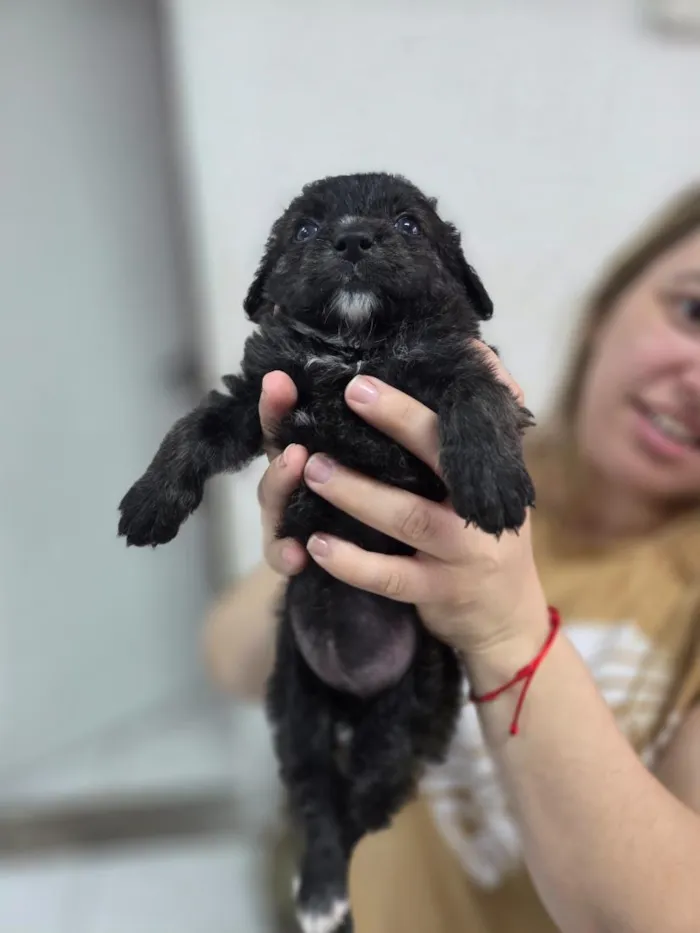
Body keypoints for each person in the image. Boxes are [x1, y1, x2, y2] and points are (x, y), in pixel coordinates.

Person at [203, 183, 700, 933]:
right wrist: (309, 548)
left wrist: (504, 632)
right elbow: (229, 661)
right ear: (609, 303)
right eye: (693, 311)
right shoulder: (446, 456)